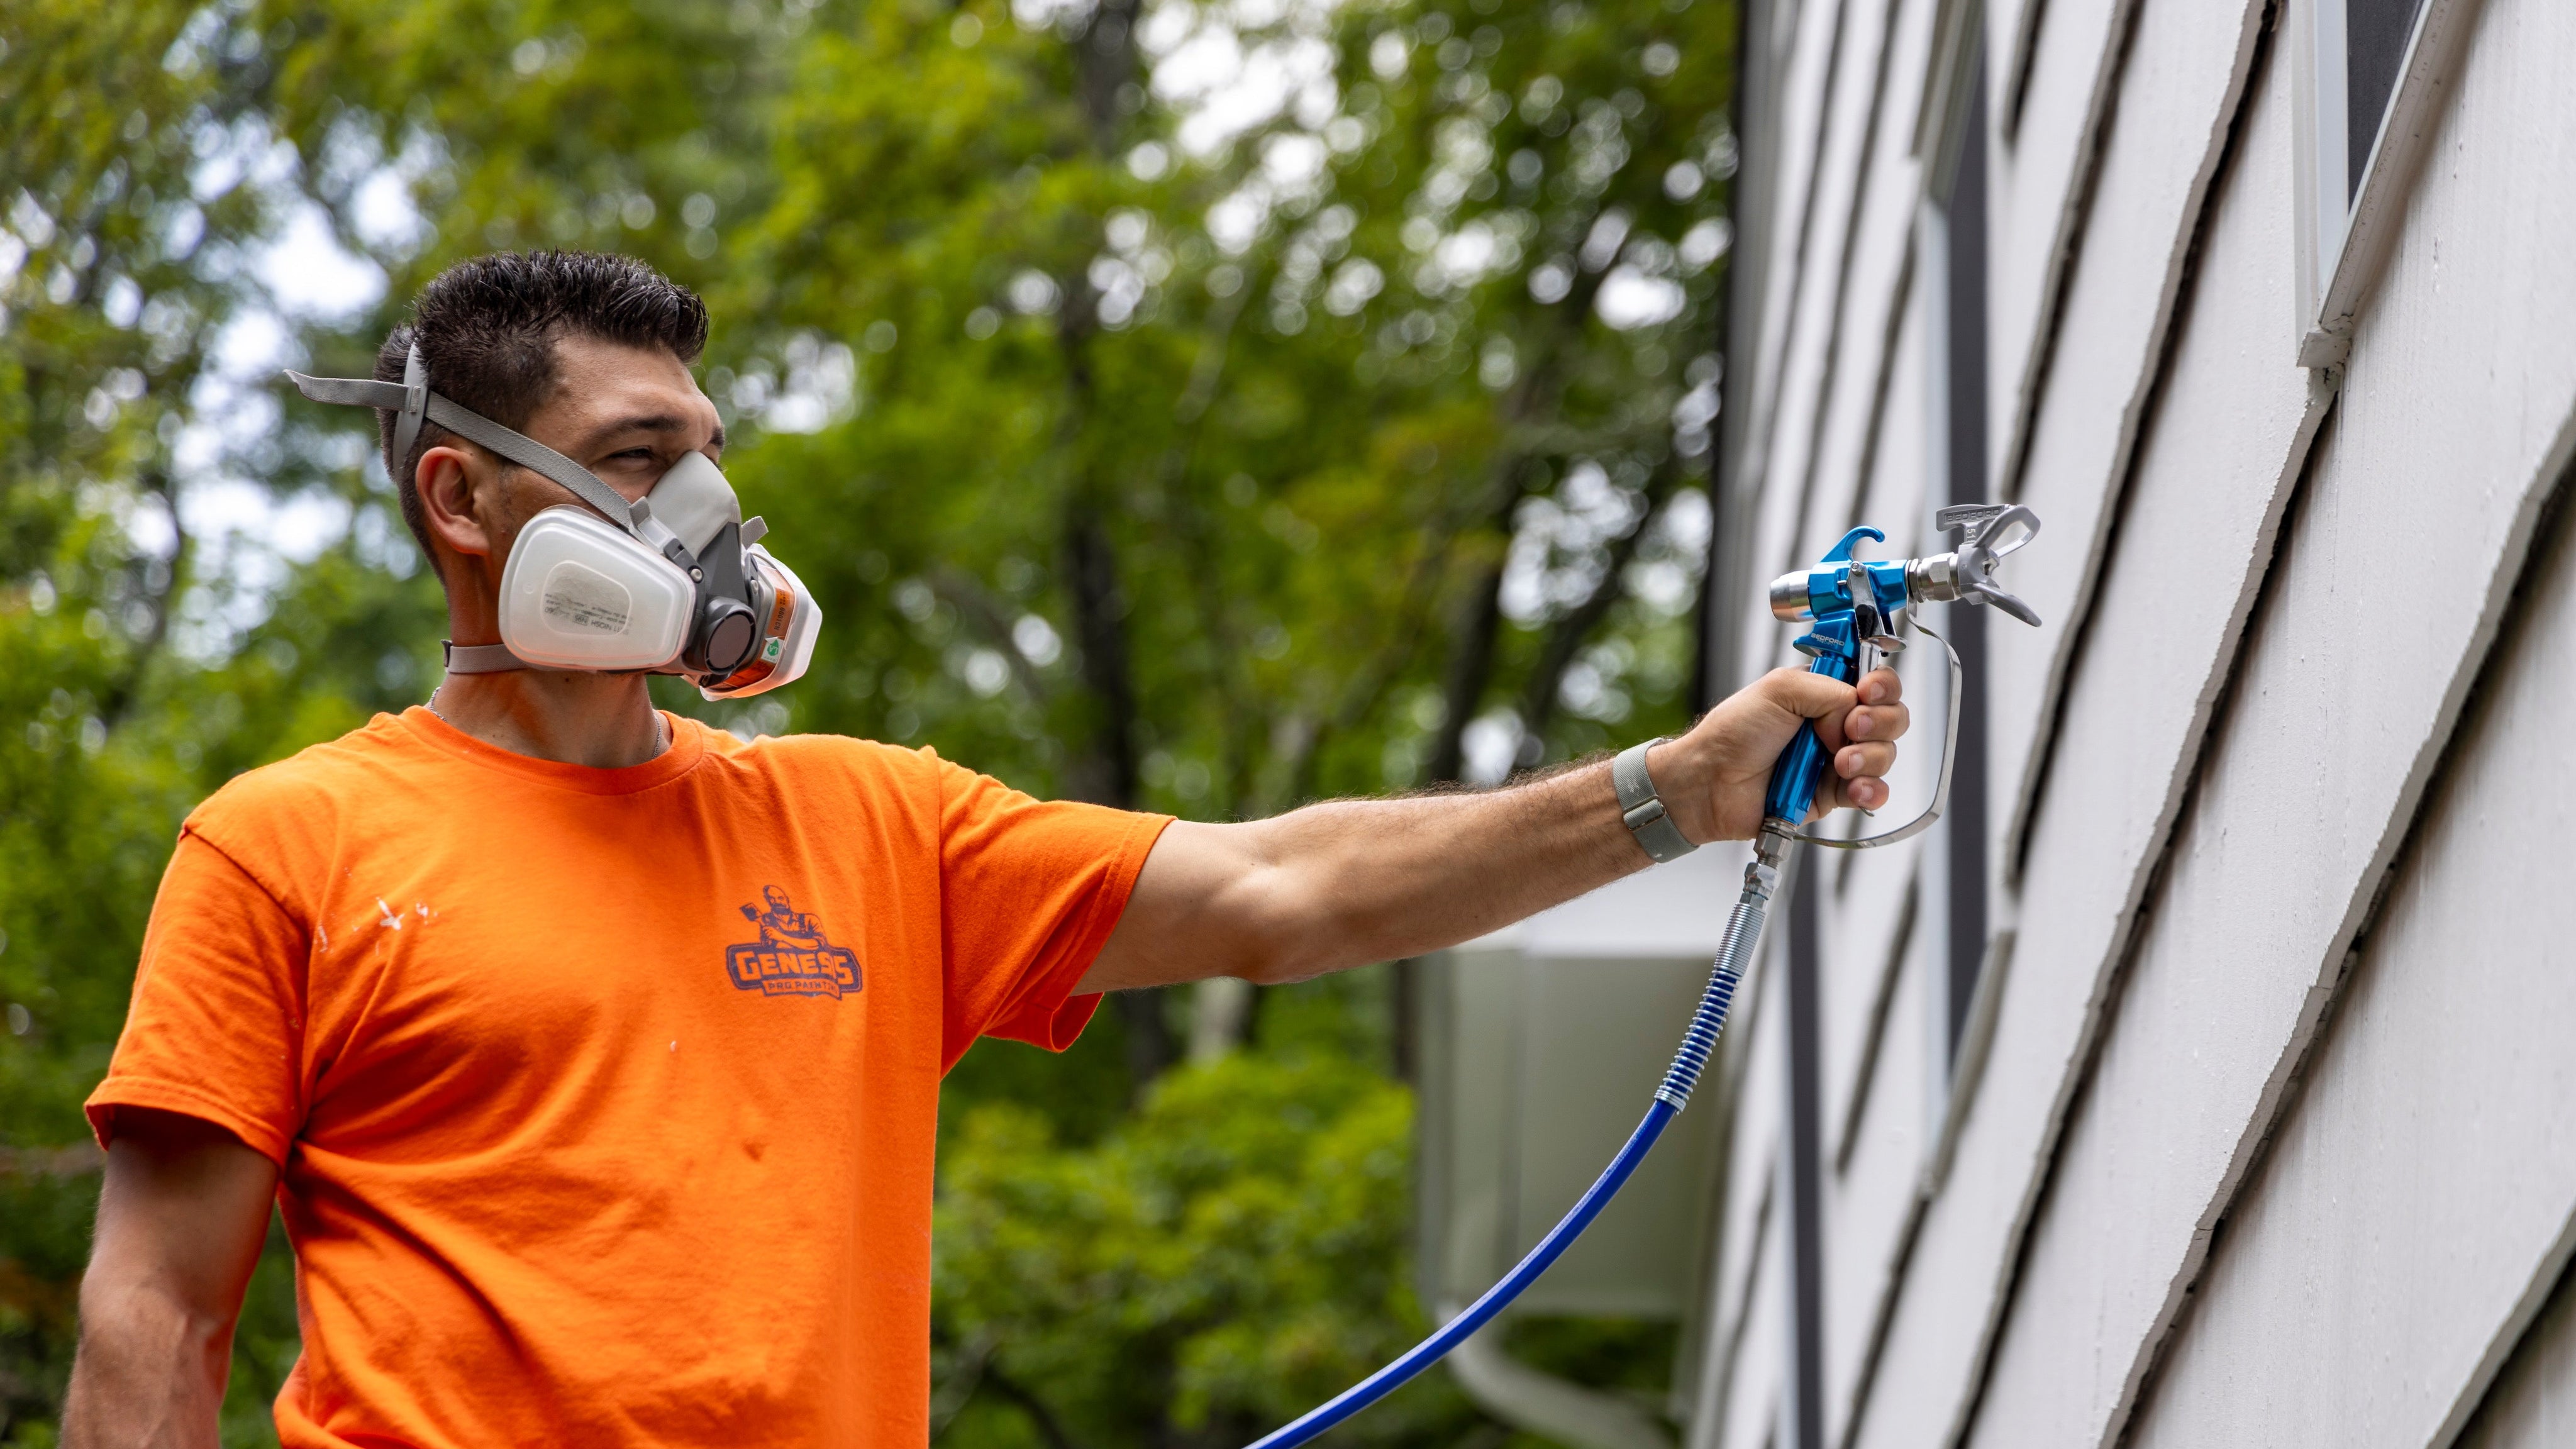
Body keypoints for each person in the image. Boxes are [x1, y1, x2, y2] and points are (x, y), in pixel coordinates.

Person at [64, 252, 1907, 1448]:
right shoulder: (289, 845)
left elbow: (1286, 892)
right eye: (639, 459)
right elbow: (158, 1310)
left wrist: (1676, 793)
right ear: (460, 497)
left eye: (708, 450)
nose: (702, 511)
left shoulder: (871, 824)